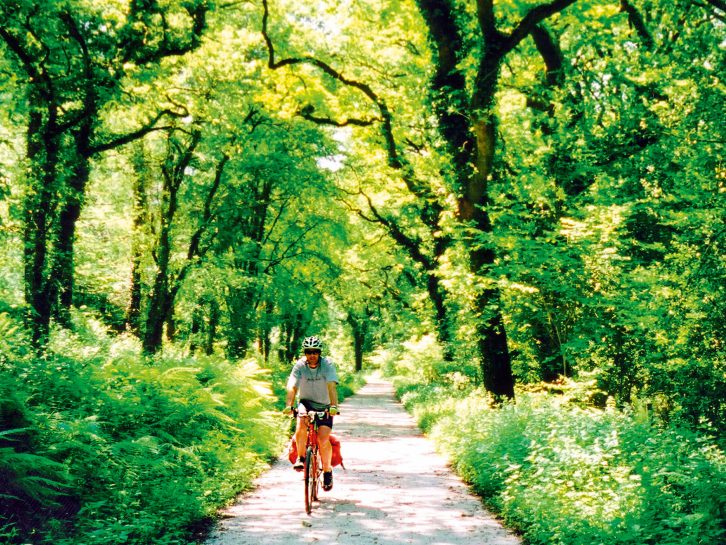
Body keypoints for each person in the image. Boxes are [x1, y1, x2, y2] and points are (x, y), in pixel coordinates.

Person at [283, 335, 339, 491]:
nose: (312, 355)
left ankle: (327, 471)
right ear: (305, 353)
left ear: (319, 352)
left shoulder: (327, 365)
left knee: (323, 439)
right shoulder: (300, 365)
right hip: (306, 403)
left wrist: (333, 406)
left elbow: (331, 386)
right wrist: (289, 405)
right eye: (309, 352)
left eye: (315, 352)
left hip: (325, 405)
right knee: (301, 421)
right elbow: (292, 386)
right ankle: (301, 458)